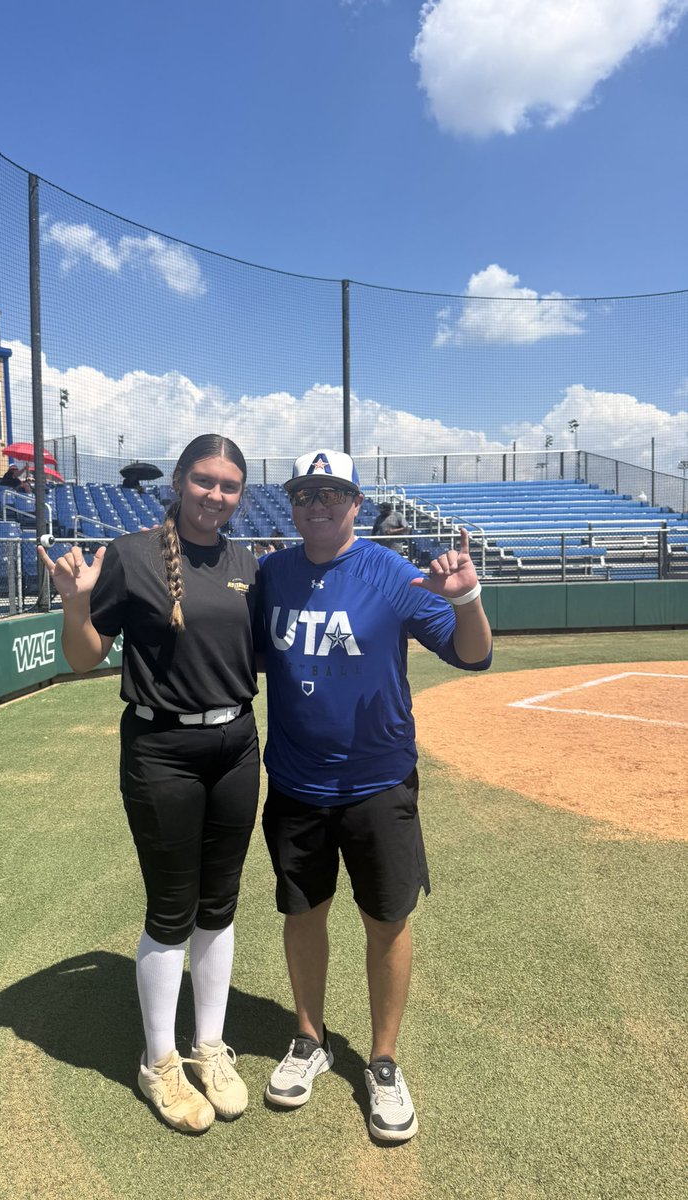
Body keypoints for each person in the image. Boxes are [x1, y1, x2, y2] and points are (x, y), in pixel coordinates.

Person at [257, 449, 492, 1143]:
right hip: (297, 783)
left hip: (378, 784)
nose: (318, 504)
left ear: (357, 504)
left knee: (385, 921)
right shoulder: (272, 574)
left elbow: (472, 654)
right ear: (293, 506)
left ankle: (383, 1062)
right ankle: (309, 1040)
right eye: (306, 494)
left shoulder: (390, 573)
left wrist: (467, 598)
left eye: (333, 493)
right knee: (303, 913)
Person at [38, 434, 260, 1134]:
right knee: (172, 908)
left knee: (218, 904)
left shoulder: (245, 560)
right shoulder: (132, 555)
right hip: (162, 748)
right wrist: (77, 608)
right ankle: (159, 1061)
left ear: (240, 495)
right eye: (203, 481)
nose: (214, 496)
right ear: (178, 481)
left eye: (228, 486)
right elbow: (82, 660)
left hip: (236, 746)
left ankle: (208, 1047)